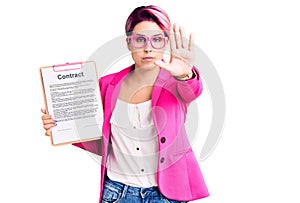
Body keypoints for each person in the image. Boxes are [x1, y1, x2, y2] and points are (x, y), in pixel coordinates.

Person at [41, 5, 209, 203]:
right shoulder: (106, 85)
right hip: (117, 192)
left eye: (156, 39)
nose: (148, 48)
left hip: (166, 194)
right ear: (129, 43)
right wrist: (62, 127)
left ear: (165, 43)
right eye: (140, 40)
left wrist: (184, 74)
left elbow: (193, 90)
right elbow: (99, 138)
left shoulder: (176, 83)